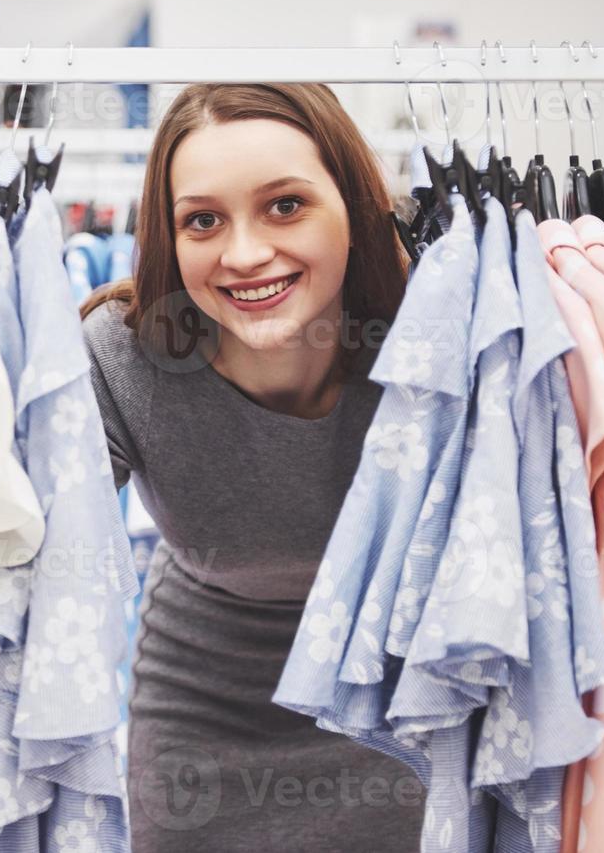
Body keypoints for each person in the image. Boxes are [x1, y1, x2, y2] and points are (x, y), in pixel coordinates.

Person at [80, 83, 422, 851]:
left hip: (399, 709)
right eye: (202, 220)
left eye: (285, 206)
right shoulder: (123, 355)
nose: (242, 253)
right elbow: (27, 551)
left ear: (355, 207)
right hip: (202, 712)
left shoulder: (437, 339)